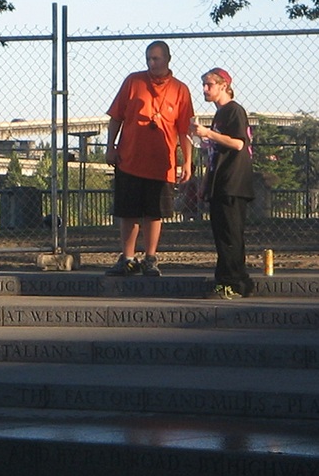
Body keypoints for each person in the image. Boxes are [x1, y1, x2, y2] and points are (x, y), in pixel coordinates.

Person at [104, 40, 195, 277]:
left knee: (154, 213)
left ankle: (150, 258)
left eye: (156, 58)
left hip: (161, 162)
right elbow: (116, 117)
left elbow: (184, 129)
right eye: (148, 59)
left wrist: (187, 161)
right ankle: (128, 258)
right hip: (130, 157)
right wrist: (110, 146)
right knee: (128, 212)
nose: (151, 63)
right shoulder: (133, 81)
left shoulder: (180, 90)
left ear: (167, 59)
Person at [193, 68, 254, 299]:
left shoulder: (234, 111)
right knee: (222, 234)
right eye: (204, 84)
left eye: (209, 84)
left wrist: (208, 134)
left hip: (233, 182)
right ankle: (229, 280)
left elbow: (238, 143)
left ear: (223, 85)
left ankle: (234, 282)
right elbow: (215, 153)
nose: (205, 89)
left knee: (230, 235)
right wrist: (205, 182)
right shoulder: (220, 114)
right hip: (220, 182)